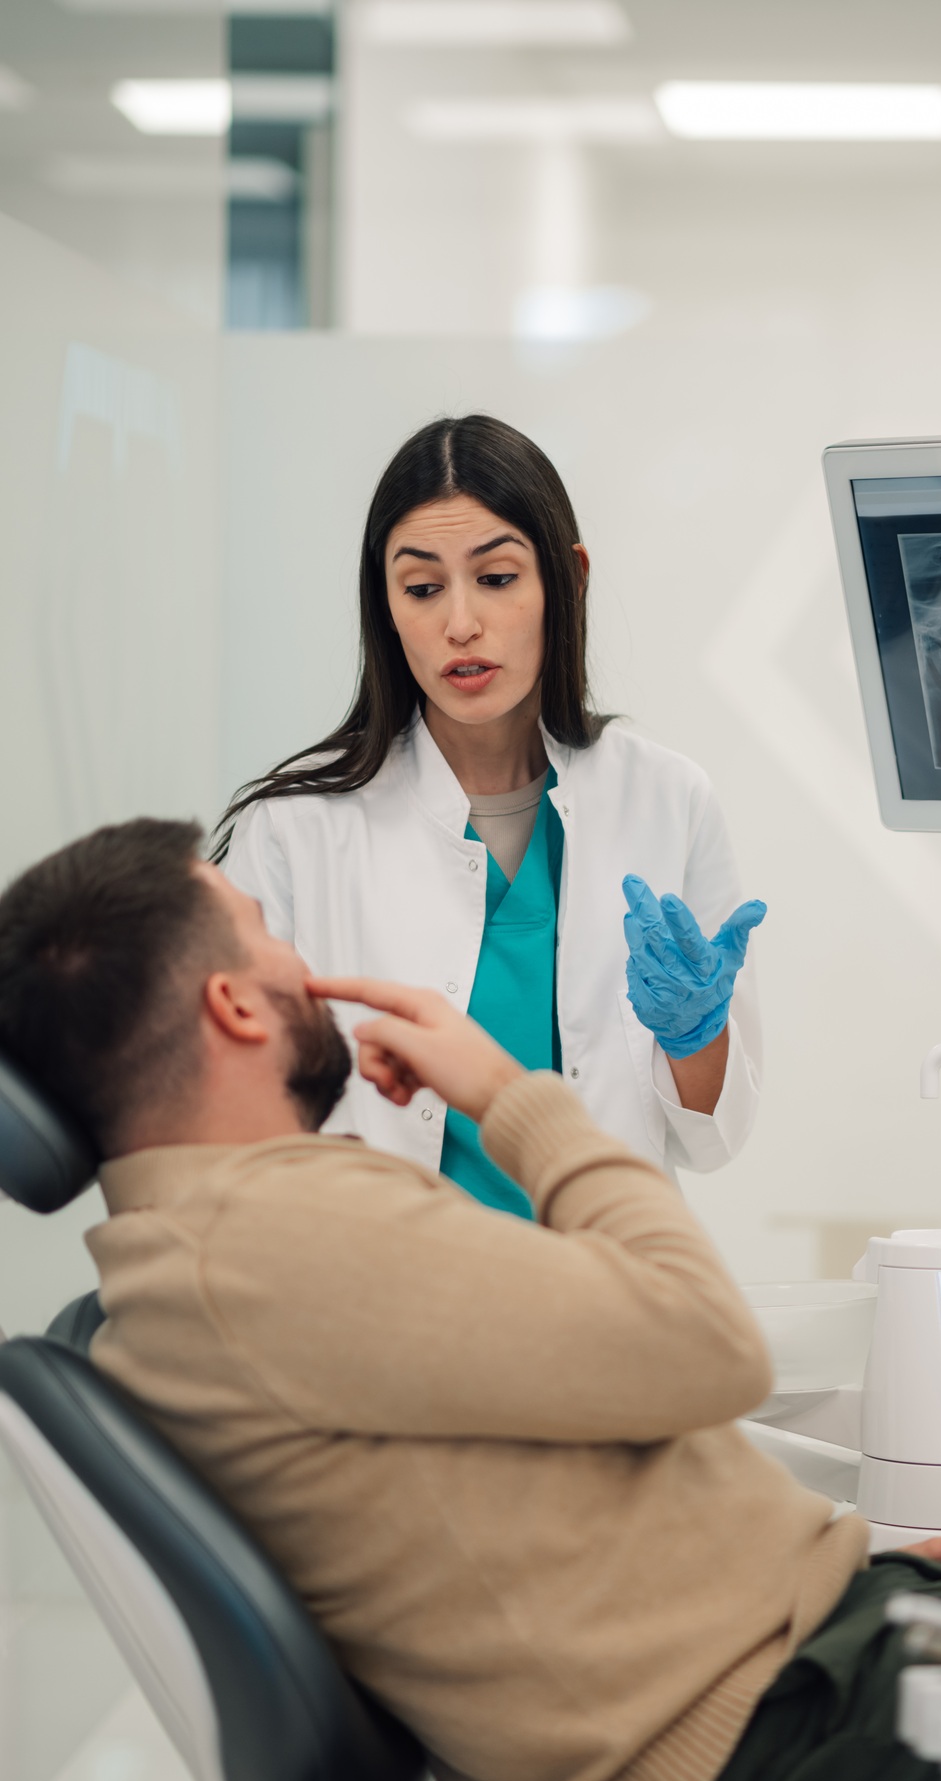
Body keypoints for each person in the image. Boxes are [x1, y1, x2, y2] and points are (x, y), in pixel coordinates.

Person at [0, 818, 941, 1781]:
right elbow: (708, 1342)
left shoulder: (188, 1252)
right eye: (264, 931)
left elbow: (548, 1490)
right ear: (235, 1004)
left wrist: (859, 1562)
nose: (301, 958)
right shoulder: (274, 1240)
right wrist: (508, 1094)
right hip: (740, 1760)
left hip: (763, 1693)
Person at [215, 414, 764, 1218]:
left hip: (600, 1289)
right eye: (422, 587)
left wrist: (695, 1036)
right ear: (386, 603)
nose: (459, 623)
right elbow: (230, 1115)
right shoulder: (296, 829)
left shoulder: (666, 799)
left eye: (497, 578)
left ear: (566, 579)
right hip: (389, 1295)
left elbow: (714, 1139)